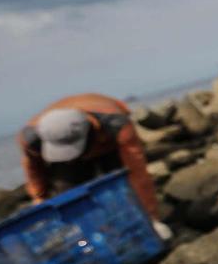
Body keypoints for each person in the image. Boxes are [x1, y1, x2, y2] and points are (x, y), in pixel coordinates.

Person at [18, 93, 169, 239]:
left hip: (108, 144)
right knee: (68, 194)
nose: (71, 159)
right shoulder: (31, 138)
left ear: (90, 131)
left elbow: (138, 173)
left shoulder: (116, 124)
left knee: (121, 186)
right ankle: (86, 234)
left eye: (72, 152)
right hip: (68, 141)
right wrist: (39, 197)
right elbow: (33, 169)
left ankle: (136, 223)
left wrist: (152, 217)